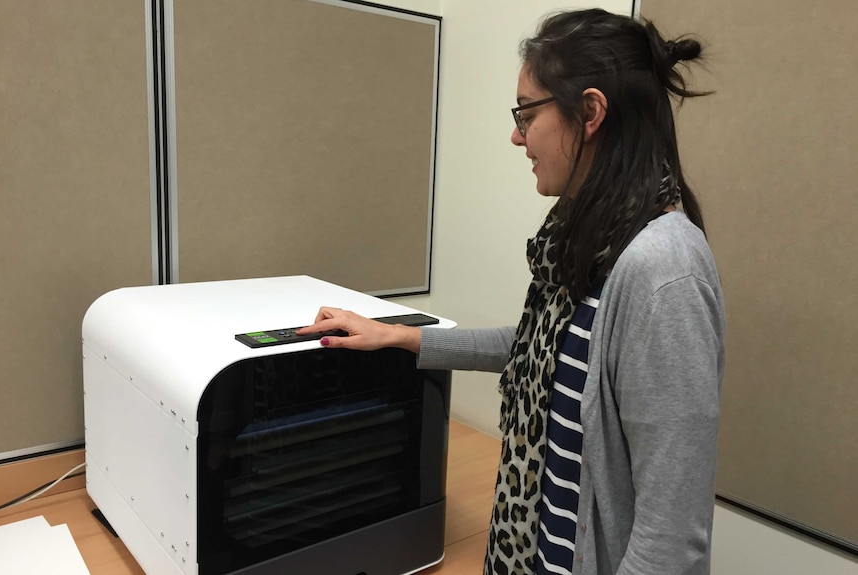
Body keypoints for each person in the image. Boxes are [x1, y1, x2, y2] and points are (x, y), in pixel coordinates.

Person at [298, 8, 725, 575]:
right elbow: (540, 344)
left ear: (591, 112)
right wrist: (402, 336)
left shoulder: (663, 272)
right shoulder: (591, 238)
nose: (516, 134)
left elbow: (669, 540)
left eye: (527, 113)